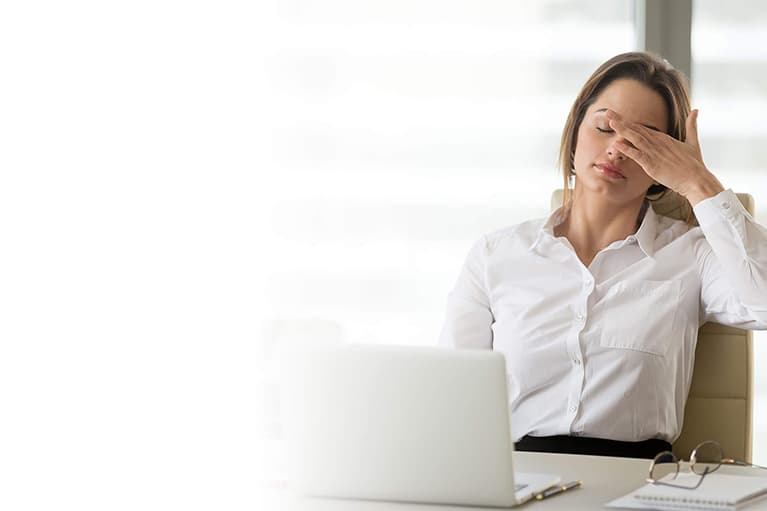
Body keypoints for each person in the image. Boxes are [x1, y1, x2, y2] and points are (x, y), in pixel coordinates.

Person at [438, 52, 767, 459]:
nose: (617, 149)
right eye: (604, 127)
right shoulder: (496, 255)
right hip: (519, 482)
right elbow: (452, 401)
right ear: (575, 129)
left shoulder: (692, 255)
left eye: (644, 141)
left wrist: (698, 183)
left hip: (640, 486)